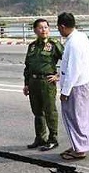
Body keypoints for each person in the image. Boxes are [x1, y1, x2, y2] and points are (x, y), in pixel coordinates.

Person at [56, 12, 89, 160]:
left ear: (63, 26)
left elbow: (73, 69)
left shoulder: (73, 43)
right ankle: (79, 144)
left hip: (75, 86)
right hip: (82, 83)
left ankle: (80, 149)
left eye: (58, 28)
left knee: (75, 118)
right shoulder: (81, 36)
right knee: (83, 116)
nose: (59, 31)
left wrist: (65, 91)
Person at [23, 18, 64, 151]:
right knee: (37, 111)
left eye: (46, 27)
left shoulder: (54, 44)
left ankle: (53, 139)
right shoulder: (32, 46)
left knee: (50, 110)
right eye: (40, 28)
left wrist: (59, 76)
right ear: (35, 30)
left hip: (47, 82)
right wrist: (26, 84)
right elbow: (28, 67)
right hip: (33, 82)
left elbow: (68, 60)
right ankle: (40, 138)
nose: (43, 30)